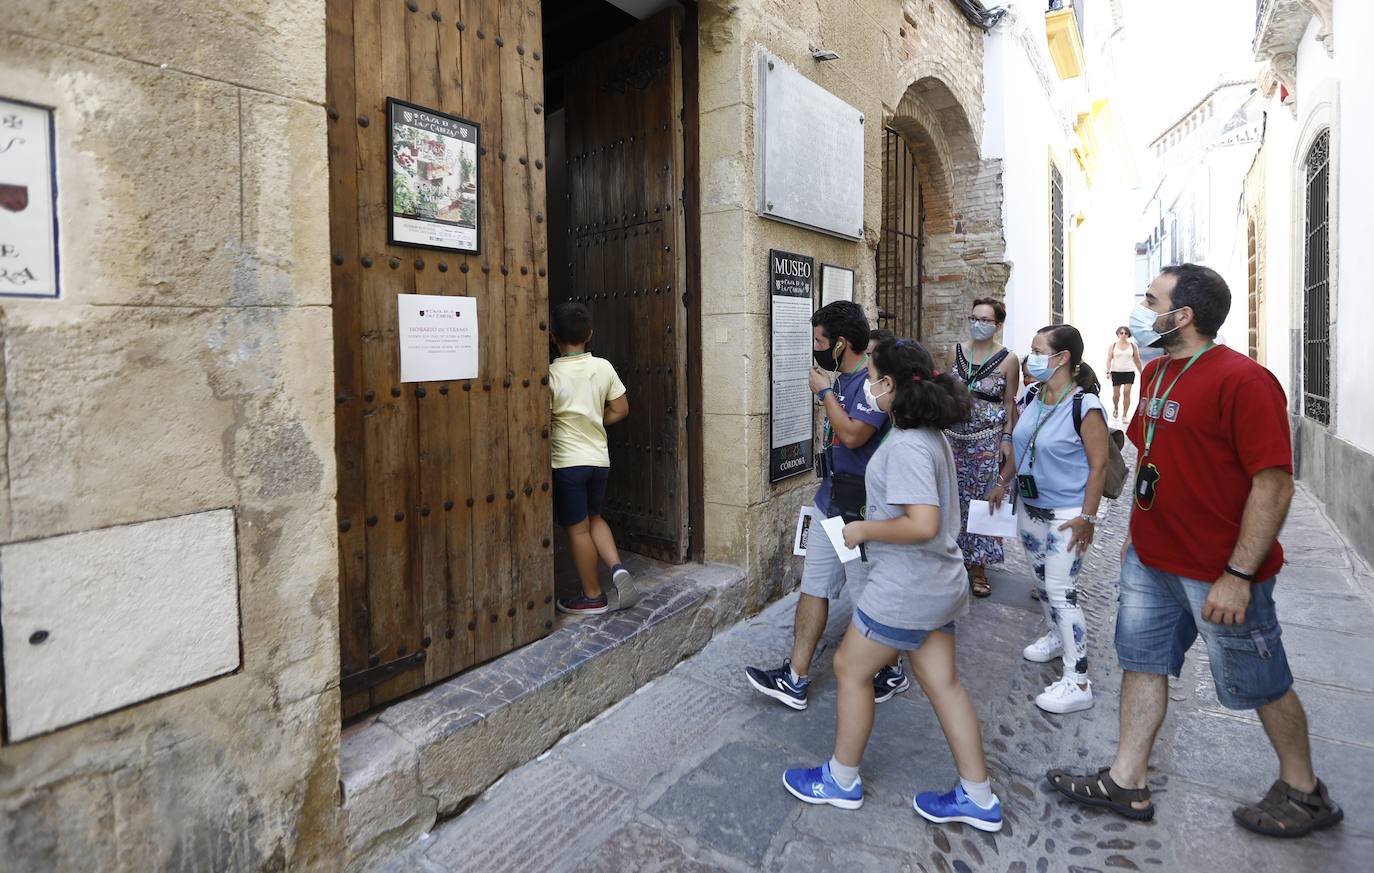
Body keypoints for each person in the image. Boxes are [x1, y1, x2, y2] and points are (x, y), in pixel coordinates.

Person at [1047, 264, 1343, 837]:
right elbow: (1153, 455)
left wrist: (1238, 573)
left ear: (1181, 316)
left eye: (1151, 299)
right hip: (1151, 559)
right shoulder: (1156, 372)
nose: (1142, 307)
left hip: (1218, 571)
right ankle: (1127, 780)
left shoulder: (1244, 381)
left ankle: (1305, 791)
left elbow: (1274, 483)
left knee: (1260, 679)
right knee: (1142, 663)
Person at [782, 338, 1002, 833]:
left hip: (907, 586)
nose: (870, 388)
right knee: (944, 685)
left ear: (890, 385)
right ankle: (978, 794)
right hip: (937, 584)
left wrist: (863, 530)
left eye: (875, 378)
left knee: (848, 667)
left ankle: (841, 779)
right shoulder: (927, 433)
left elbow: (922, 522)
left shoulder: (905, 445)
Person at [746, 302, 902, 710]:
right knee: (813, 586)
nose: (815, 347)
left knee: (868, 595)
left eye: (820, 341)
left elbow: (853, 435)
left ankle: (892, 666)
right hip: (828, 501)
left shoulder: (873, 383)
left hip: (860, 510)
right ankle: (795, 678)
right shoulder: (844, 377)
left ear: (841, 343)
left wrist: (825, 393)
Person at [989, 325, 1108, 714]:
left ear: (1062, 359)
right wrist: (1004, 482)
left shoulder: (1085, 407)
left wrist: (1087, 517)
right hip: (1030, 508)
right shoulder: (1032, 395)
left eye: (1039, 350)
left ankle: (1078, 679)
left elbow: (1099, 465)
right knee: (1041, 585)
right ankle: (1058, 637)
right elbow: (1024, 449)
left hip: (1067, 516)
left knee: (1061, 590)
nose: (1031, 356)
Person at [548, 302, 638, 615]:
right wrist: (595, 420)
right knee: (595, 517)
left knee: (577, 529)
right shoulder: (603, 367)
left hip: (567, 463)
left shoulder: (551, 375)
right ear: (589, 334)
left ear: (554, 337)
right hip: (598, 460)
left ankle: (592, 596)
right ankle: (617, 569)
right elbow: (621, 409)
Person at [943, 299, 1020, 598]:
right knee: (952, 499)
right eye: (974, 317)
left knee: (983, 502)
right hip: (952, 437)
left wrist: (1007, 438)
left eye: (986, 319)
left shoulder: (1008, 359)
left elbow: (1008, 403)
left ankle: (979, 566)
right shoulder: (955, 352)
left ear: (998, 324)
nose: (978, 323)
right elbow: (944, 391)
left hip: (986, 440)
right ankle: (952, 559)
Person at [1105, 327, 1143, 426]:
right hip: (1116, 372)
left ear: (1128, 335)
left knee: (1127, 392)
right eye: (1121, 333)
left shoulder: (1132, 346)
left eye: (1126, 333)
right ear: (1118, 334)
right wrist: (1108, 371)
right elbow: (1109, 359)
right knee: (1116, 394)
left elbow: (1137, 360)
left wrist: (1142, 372)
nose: (1123, 335)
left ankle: (1125, 415)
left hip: (1129, 371)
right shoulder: (1113, 346)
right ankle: (1116, 407)